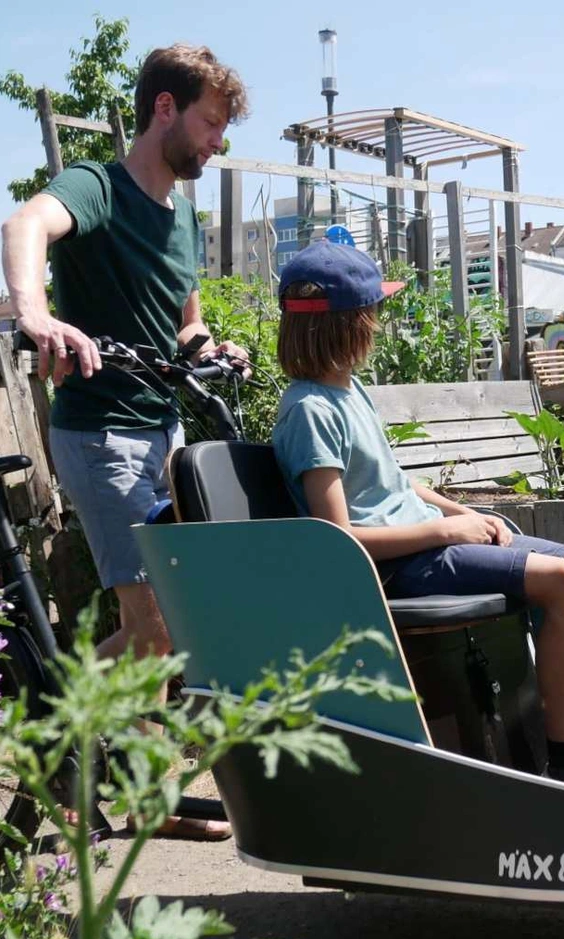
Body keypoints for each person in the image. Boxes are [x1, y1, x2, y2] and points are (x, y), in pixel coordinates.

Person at [271, 241, 564, 807]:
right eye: (373, 314)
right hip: (401, 567)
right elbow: (340, 540)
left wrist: (461, 512)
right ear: (348, 325)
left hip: (429, 545)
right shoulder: (309, 411)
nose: (379, 326)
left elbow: (396, 485)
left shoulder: (349, 391)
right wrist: (448, 533)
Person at [1, 43, 250, 839]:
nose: (219, 141)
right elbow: (27, 221)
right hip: (101, 436)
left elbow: (187, 313)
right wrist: (34, 313)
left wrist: (206, 345)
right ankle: (121, 780)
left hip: (163, 433)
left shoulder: (181, 211)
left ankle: (64, 733)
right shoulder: (99, 187)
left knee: (170, 627)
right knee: (156, 627)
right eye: (212, 123)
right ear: (166, 109)